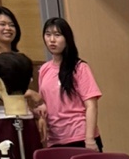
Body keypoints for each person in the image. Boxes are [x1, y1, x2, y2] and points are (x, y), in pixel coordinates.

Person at [36, 17, 103, 150]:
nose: (52, 40)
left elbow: (91, 105)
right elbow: (43, 102)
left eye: (57, 35)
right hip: (55, 138)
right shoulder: (44, 69)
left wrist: (89, 139)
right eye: (48, 35)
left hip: (79, 136)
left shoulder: (79, 67)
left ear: (67, 38)